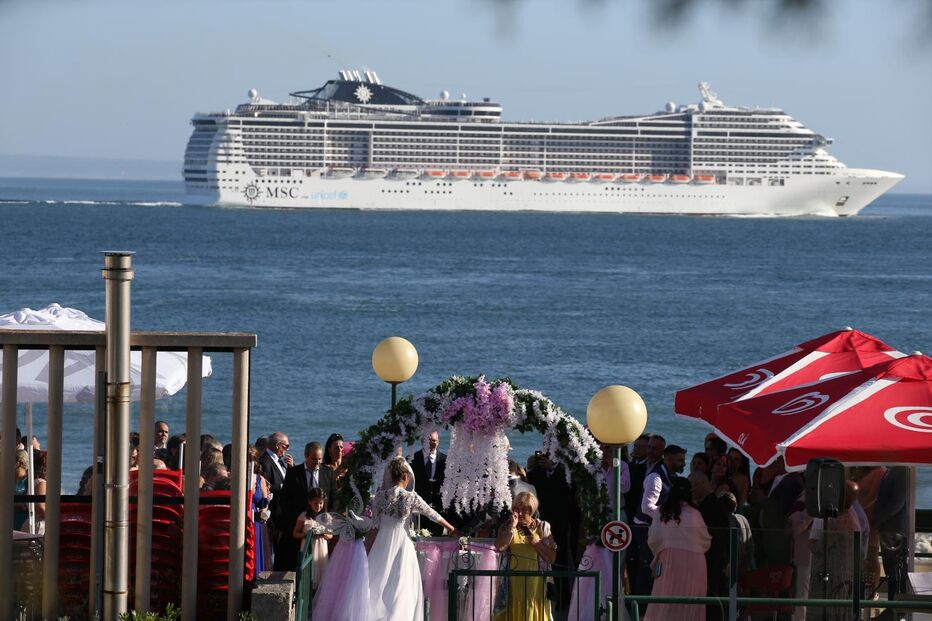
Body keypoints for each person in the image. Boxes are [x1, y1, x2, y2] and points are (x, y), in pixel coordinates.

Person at [367, 457, 456, 621]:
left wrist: (368, 550)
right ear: (406, 477)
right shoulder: (411, 497)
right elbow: (432, 514)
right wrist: (451, 528)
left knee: (378, 580)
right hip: (402, 543)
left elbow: (374, 526)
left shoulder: (379, 497)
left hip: (382, 542)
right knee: (402, 583)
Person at [644, 477, 710, 621]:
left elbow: (653, 539)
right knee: (692, 603)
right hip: (696, 562)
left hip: (670, 559)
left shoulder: (662, 512)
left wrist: (662, 549)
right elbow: (705, 540)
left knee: (666, 600)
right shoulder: (695, 513)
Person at [631, 444, 687, 596]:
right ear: (668, 459)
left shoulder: (669, 476)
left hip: (655, 528)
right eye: (680, 460)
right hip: (644, 529)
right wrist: (668, 517)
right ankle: (641, 609)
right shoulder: (655, 478)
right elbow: (646, 507)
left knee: (654, 568)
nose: (684, 464)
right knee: (646, 568)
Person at [495, 491, 557, 621]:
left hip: (536, 587)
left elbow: (551, 558)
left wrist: (537, 543)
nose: (520, 513)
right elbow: (500, 547)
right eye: (516, 509)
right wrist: (512, 527)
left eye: (524, 510)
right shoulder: (506, 526)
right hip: (514, 586)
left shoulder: (542, 527)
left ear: (532, 511)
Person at [278, 441, 337, 570]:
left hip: (321, 527)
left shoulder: (328, 472)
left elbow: (333, 499)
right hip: (300, 526)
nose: (317, 462)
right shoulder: (294, 473)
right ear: (306, 456)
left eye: (320, 459)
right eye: (314, 459)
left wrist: (329, 519)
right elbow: (285, 499)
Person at [807, 481, 859, 621]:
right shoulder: (853, 515)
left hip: (832, 575)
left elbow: (819, 547)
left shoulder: (839, 520)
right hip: (844, 574)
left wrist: (810, 541)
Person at [873, 466, 909, 601]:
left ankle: (898, 609)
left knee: (896, 570)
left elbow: (897, 503)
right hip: (888, 530)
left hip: (895, 530)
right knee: (890, 569)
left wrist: (878, 519)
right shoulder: (890, 471)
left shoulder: (901, 471)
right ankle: (892, 606)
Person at [292, 487, 332, 590]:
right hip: (308, 548)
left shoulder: (326, 517)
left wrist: (323, 534)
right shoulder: (304, 516)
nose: (318, 506)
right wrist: (309, 534)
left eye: (321, 503)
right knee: (309, 574)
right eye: (316, 503)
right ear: (310, 502)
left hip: (321, 550)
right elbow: (295, 533)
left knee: (321, 575)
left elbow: (330, 535)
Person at [410, 430, 447, 535]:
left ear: (438, 442)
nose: (431, 442)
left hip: (439, 507)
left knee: (437, 537)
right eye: (428, 440)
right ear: (422, 441)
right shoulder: (412, 459)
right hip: (419, 507)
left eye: (434, 440)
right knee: (419, 535)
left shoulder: (445, 460)